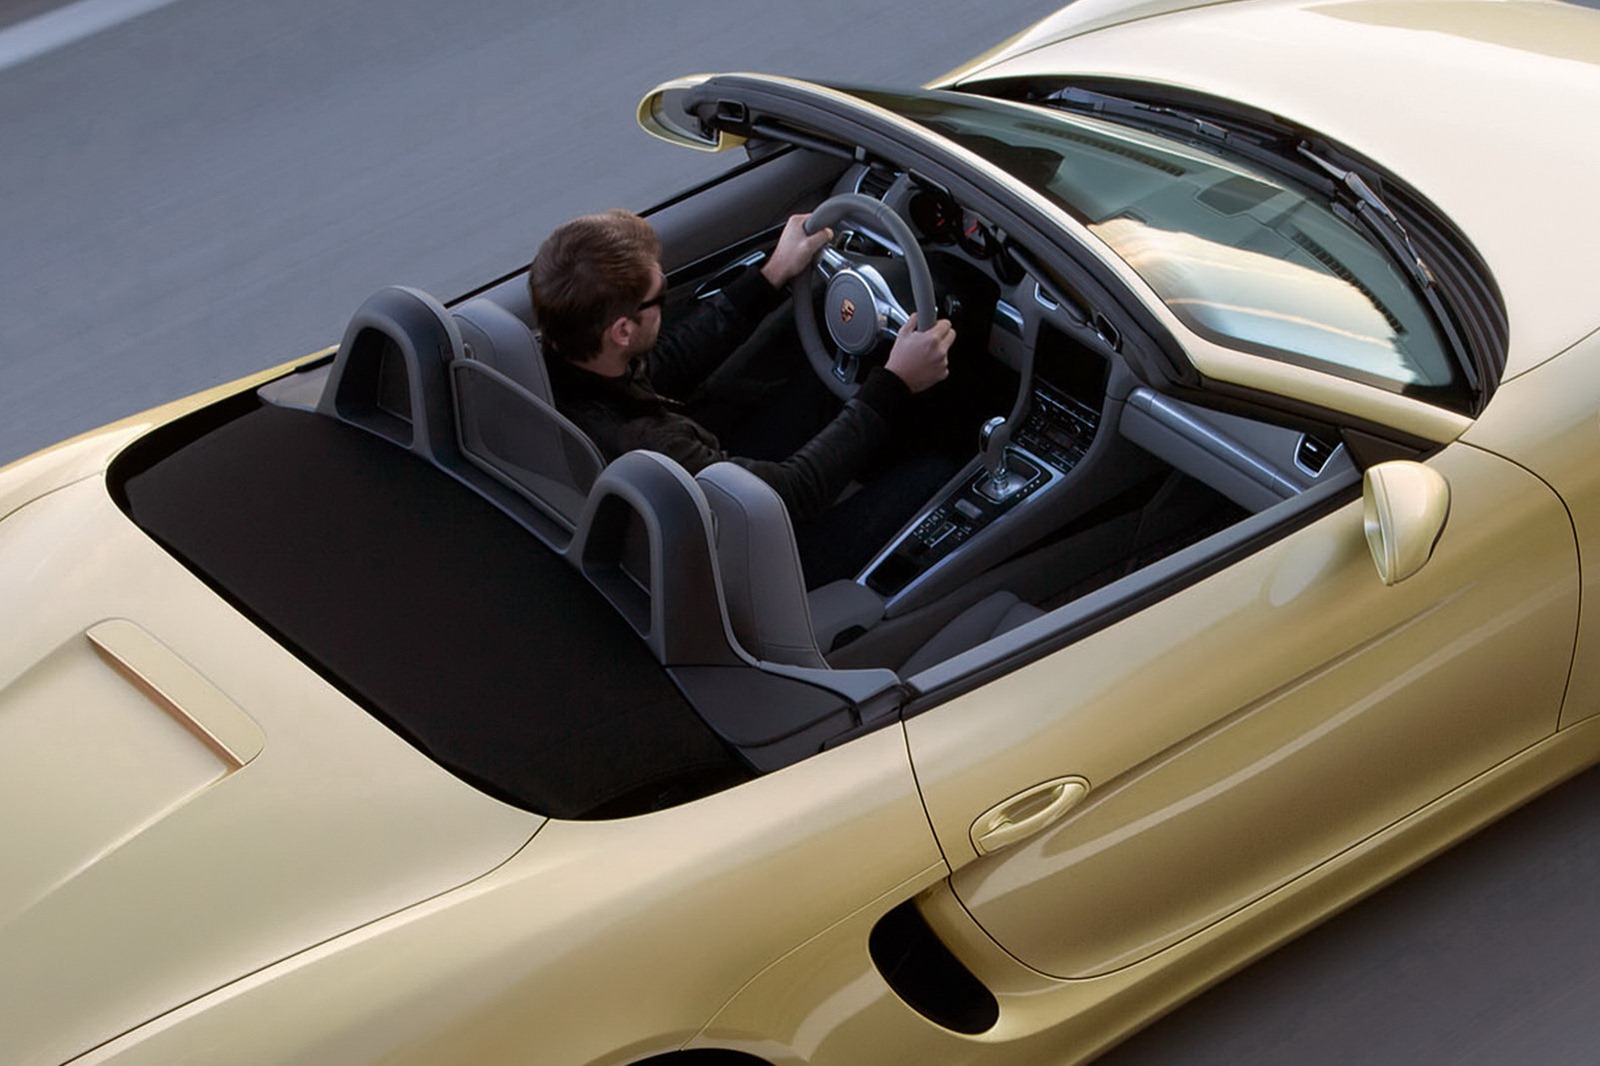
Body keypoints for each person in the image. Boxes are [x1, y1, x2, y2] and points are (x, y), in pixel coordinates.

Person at [528, 208, 955, 585]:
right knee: (940, 473)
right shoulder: (646, 443)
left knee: (818, 389)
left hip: (701, 511)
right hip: (754, 561)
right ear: (622, 331)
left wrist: (772, 275)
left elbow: (668, 363)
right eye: (659, 297)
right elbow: (791, 494)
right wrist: (895, 382)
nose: (665, 299)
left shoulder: (560, 363)